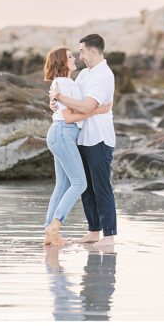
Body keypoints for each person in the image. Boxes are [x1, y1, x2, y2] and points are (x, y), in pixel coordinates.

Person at [50, 33, 117, 248]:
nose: (80, 56)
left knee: (101, 186)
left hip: (99, 137)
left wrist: (60, 98)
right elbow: (73, 105)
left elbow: (87, 107)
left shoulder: (103, 75)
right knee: (86, 188)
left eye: (82, 51)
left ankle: (108, 235)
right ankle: (93, 231)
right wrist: (57, 104)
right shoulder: (84, 75)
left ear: (93, 51)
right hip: (81, 137)